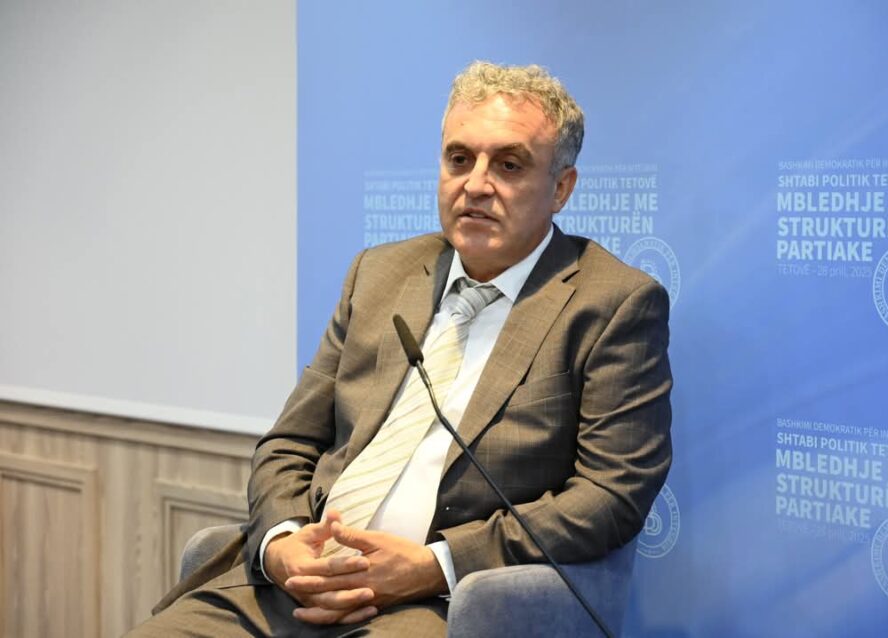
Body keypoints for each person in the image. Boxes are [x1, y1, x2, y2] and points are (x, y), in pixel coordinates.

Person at [128, 60, 672, 637]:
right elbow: (289, 442)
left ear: (561, 188)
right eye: (459, 159)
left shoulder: (612, 303)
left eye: (509, 165)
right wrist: (284, 545)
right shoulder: (380, 273)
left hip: (436, 605)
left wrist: (435, 565)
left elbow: (610, 495)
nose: (476, 184)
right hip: (292, 584)